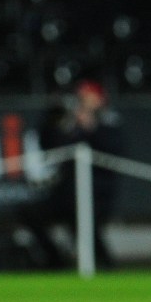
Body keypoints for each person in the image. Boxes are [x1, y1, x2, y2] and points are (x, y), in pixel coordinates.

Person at [20, 80, 123, 270]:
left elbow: (114, 150)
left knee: (82, 224)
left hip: (97, 193)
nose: (83, 101)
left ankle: (105, 264)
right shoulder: (69, 122)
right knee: (30, 211)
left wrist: (91, 128)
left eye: (88, 96)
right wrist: (54, 114)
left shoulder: (109, 121)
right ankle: (55, 260)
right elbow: (49, 144)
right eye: (81, 97)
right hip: (66, 193)